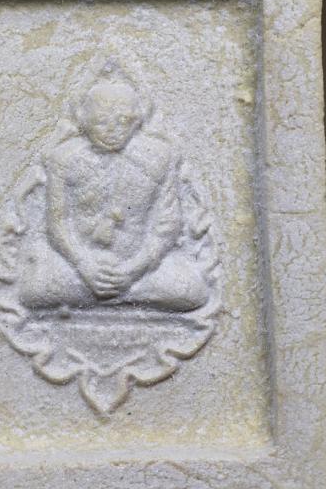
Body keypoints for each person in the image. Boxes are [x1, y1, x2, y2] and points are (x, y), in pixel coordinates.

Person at [17, 71, 208, 312]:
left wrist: (134, 270)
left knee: (191, 289)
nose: (112, 130)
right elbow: (57, 223)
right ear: (83, 120)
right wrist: (83, 264)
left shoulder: (160, 157)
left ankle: (112, 294)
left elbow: (168, 224)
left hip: (140, 265)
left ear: (138, 120)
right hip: (79, 264)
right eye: (101, 121)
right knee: (34, 288)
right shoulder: (63, 159)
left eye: (123, 120)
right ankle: (122, 297)